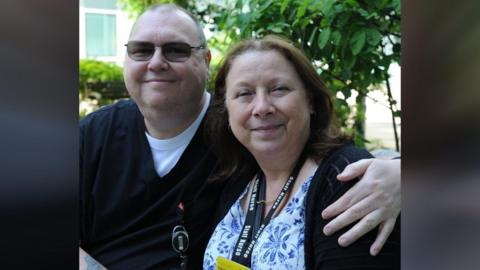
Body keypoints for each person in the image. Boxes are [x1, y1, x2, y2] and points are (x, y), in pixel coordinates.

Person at [79, 4, 400, 270]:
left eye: (176, 50)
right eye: (141, 50)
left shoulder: (335, 178)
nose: (157, 62)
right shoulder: (94, 135)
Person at [203, 35, 400, 269]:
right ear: (226, 110)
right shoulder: (236, 182)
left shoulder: (346, 177)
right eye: (244, 94)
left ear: (311, 101)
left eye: (278, 89)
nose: (262, 107)